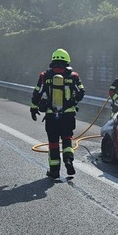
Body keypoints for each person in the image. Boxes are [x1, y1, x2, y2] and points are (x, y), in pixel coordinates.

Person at [30, 48, 85, 179]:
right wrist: (73, 102)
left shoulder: (45, 75)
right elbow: (81, 92)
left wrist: (33, 108)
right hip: (68, 115)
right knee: (67, 138)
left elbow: (37, 93)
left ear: (53, 59)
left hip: (51, 115)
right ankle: (68, 160)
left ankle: (54, 171)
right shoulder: (74, 76)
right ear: (67, 60)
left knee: (53, 142)